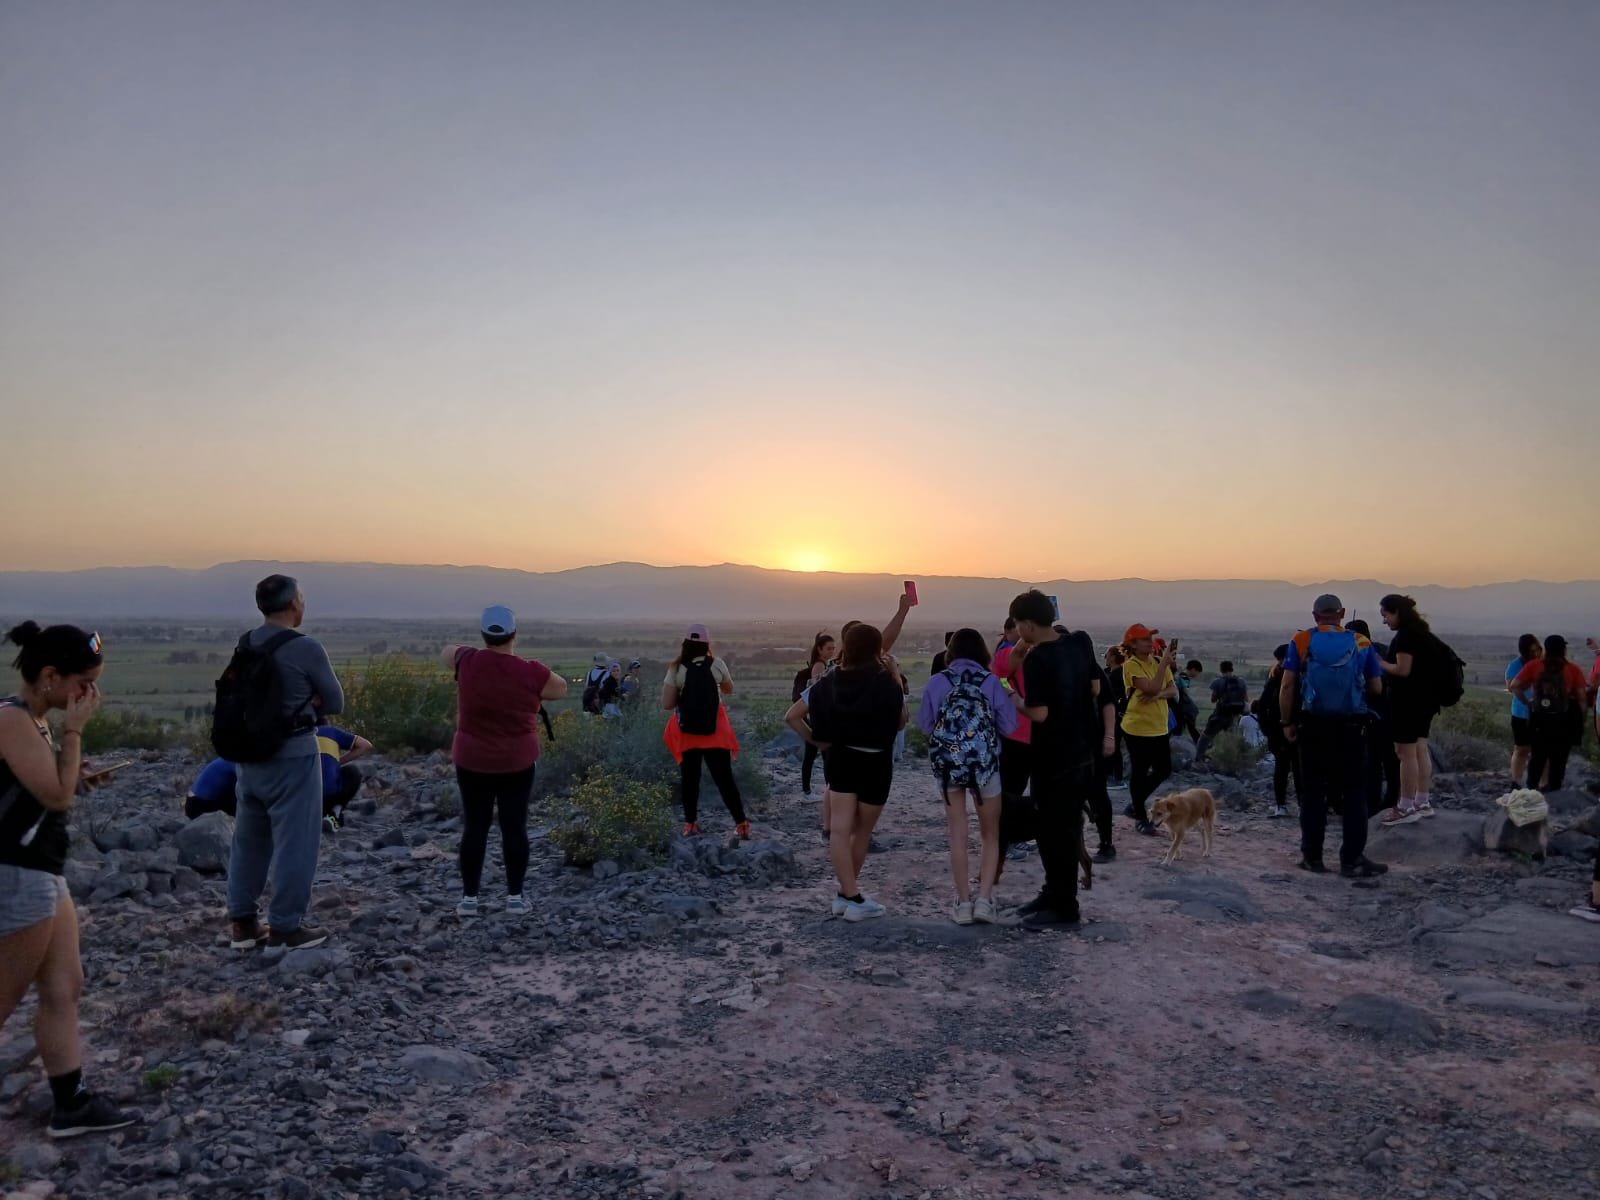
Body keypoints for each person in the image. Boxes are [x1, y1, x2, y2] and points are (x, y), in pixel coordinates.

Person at [0, 621, 135, 1139]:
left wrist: (74, 768)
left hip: (41, 867)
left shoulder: (35, 718)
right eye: (84, 684)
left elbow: (46, 785)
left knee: (65, 984)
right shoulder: (13, 719)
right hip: (15, 871)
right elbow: (56, 798)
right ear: (51, 676)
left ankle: (70, 1103)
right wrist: (75, 735)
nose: (90, 695)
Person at [226, 575, 344, 951]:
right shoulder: (306, 647)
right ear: (294, 604)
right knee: (297, 843)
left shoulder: (247, 642)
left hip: (248, 756)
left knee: (249, 840)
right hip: (294, 754)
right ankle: (285, 928)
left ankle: (243, 924)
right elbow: (336, 701)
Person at [441, 605, 566, 917]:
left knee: (475, 827)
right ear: (515, 634)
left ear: (484, 635)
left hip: (471, 759)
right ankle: (515, 898)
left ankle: (469, 899)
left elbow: (447, 652)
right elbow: (561, 688)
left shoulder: (467, 661)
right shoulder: (531, 672)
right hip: (517, 761)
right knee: (514, 827)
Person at [786, 623, 907, 922]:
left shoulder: (828, 680)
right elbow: (902, 721)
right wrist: (894, 675)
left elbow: (791, 716)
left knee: (839, 830)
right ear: (877, 650)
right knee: (862, 832)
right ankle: (851, 896)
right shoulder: (885, 682)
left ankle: (846, 895)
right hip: (875, 763)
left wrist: (817, 741)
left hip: (839, 759)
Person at [1009, 592, 1103, 929]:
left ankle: (1064, 907)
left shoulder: (1039, 659)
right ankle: (1053, 894)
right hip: (1083, 753)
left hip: (1053, 758)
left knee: (1052, 832)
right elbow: (1094, 689)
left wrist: (1015, 700)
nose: (1019, 632)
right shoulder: (1080, 642)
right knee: (1067, 828)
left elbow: (1039, 712)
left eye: (1020, 626)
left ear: (1028, 624)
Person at [1279, 594, 1387, 878]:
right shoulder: (1362, 642)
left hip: (1313, 727)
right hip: (1351, 728)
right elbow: (1376, 688)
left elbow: (1288, 686)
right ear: (1340, 613)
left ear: (1315, 616)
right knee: (1354, 795)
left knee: (1314, 794)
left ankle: (1312, 858)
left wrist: (1286, 721)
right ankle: (1352, 861)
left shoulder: (1301, 641)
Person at [917, 628, 1018, 925]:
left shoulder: (937, 682)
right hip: (985, 766)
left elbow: (925, 725)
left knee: (958, 835)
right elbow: (1010, 727)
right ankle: (985, 900)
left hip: (949, 767)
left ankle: (962, 903)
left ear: (951, 652)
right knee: (990, 835)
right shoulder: (990, 682)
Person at [186, 723, 374, 833]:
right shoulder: (244, 760)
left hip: (194, 801)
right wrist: (337, 762)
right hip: (203, 805)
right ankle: (333, 814)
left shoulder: (242, 754)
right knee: (251, 790)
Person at [662, 625, 749, 839]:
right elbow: (729, 689)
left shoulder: (676, 668)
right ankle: (742, 824)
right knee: (725, 779)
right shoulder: (717, 664)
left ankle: (690, 824)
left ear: (685, 644)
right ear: (707, 644)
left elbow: (667, 703)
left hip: (688, 731)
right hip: (716, 730)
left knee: (690, 779)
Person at [1376, 594, 1441, 826]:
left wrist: (1379, 662)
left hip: (1407, 702)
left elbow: (1403, 670)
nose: (1385, 621)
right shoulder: (1423, 634)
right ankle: (1422, 802)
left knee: (1405, 753)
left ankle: (1404, 807)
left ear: (1396, 613)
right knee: (1420, 748)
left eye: (1386, 615)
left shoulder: (1405, 637)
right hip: (1426, 701)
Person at [1119, 624, 1176, 837]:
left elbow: (1172, 689)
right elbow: (1151, 687)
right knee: (1140, 772)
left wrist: (1158, 695)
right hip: (1137, 728)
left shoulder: (1156, 662)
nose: (1149, 643)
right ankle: (1141, 819)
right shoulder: (1131, 666)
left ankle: (1135, 804)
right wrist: (1163, 666)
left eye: (1149, 639)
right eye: (1143, 640)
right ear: (1132, 644)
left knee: (1163, 769)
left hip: (1158, 727)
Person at [1510, 635, 1587, 794]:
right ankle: (1553, 793)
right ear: (1563, 650)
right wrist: (1580, 720)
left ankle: (1531, 791)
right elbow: (1581, 698)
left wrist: (1528, 702)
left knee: (1537, 757)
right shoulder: (1573, 669)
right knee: (1559, 760)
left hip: (1540, 719)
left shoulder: (1534, 665)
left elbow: (1515, 686)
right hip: (1563, 721)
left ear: (1546, 649)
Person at [1347, 619, 1401, 816]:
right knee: (1391, 761)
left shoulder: (1356, 654)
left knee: (1372, 762)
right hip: (1391, 713)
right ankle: (1393, 801)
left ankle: (1371, 805)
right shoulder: (1384, 650)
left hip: (1367, 714)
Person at [1253, 644, 1301, 818]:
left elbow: (1263, 706)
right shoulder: (1289, 677)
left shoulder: (1275, 677)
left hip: (1278, 731)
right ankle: (1299, 805)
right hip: (1288, 730)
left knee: (1284, 768)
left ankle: (1281, 805)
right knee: (1296, 768)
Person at [792, 633, 836, 802]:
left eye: (833, 648)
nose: (832, 651)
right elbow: (816, 694)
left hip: (813, 717)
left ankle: (809, 791)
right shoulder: (819, 666)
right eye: (828, 648)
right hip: (817, 718)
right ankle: (826, 792)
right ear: (819, 649)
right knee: (824, 755)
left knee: (812, 754)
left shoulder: (821, 664)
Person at [1505, 634, 1543, 788]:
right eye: (1531, 651)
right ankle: (1516, 781)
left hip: (1542, 712)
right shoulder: (1515, 665)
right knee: (1521, 748)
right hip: (1521, 712)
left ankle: (1541, 784)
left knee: (1541, 750)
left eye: (1537, 650)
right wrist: (1527, 679)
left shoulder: (1543, 664)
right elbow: (1510, 686)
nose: (1535, 654)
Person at [1195, 661, 1249, 762]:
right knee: (1232, 739)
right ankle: (1233, 760)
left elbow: (1213, 699)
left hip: (1219, 715)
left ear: (1221, 669)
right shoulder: (1241, 681)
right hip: (1234, 716)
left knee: (1205, 737)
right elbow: (1246, 699)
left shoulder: (1218, 682)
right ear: (1232, 669)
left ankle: (1198, 759)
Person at [1102, 646, 1127, 787]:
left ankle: (1115, 778)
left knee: (1114, 745)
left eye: (1108, 654)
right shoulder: (1113, 673)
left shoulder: (1117, 675)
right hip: (1117, 715)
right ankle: (1113, 776)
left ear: (1112, 657)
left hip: (1116, 716)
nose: (1105, 657)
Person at [1173, 660, 1203, 742]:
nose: (1197, 675)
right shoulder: (1184, 676)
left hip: (1179, 707)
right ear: (1193, 669)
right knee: (1183, 726)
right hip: (1181, 707)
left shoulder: (1181, 675)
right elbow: (1186, 691)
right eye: (1198, 672)